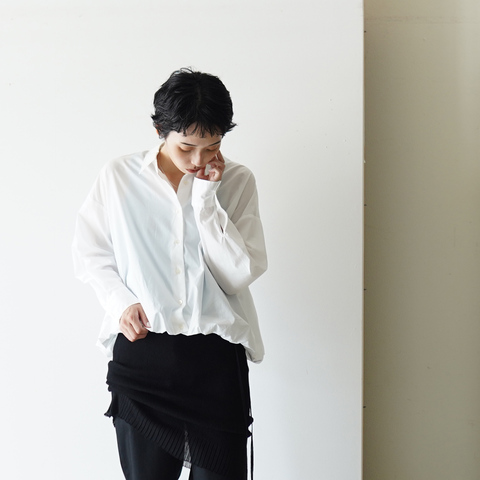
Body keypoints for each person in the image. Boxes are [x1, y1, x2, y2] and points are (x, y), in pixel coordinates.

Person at [72, 68, 267, 480]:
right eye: (187, 147)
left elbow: (236, 276)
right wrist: (120, 302)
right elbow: (91, 252)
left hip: (215, 359)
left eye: (213, 146)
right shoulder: (119, 177)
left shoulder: (236, 181)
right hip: (143, 354)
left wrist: (206, 199)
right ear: (160, 130)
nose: (200, 160)